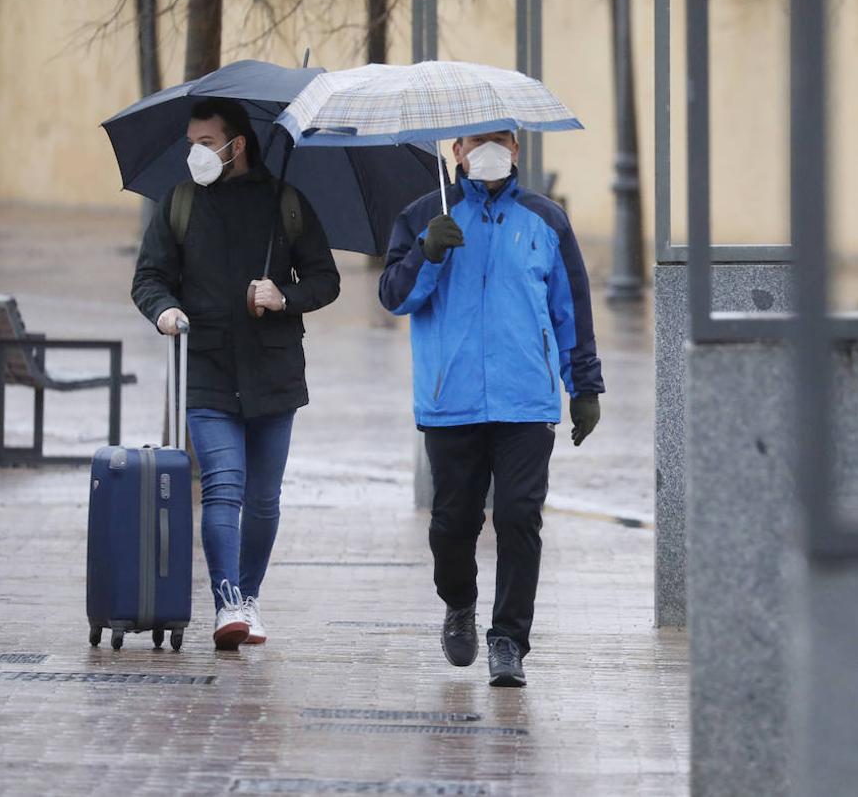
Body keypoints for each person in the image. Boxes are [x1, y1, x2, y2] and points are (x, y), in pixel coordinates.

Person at [379, 130, 604, 687]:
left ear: (518, 151)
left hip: (525, 399)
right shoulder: (422, 215)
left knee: (518, 516)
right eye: (480, 140)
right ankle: (459, 604)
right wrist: (427, 253)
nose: (492, 150)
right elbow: (394, 296)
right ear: (456, 151)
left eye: (503, 140)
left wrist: (585, 386)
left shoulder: (546, 219)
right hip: (449, 398)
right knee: (453, 522)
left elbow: (570, 305)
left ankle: (508, 641)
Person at [132, 97, 341, 650]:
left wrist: (284, 295)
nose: (195, 154)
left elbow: (326, 279)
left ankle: (248, 597)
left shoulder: (286, 204)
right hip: (208, 370)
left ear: (236, 145)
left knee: (264, 497)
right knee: (223, 486)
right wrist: (164, 311)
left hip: (274, 374)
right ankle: (227, 602)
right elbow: (148, 278)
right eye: (191, 143)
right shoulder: (177, 204)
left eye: (205, 143)